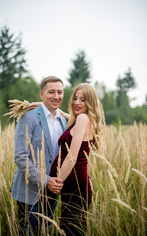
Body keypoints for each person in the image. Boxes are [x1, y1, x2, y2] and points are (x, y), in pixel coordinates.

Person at [30, 83, 102, 235]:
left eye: (83, 99)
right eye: (75, 98)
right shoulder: (84, 119)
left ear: (90, 102)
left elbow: (72, 156)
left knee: (70, 228)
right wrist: (47, 107)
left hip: (72, 182)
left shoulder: (82, 118)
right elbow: (69, 118)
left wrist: (57, 181)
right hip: (73, 182)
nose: (77, 102)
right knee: (72, 227)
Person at [11, 76, 67, 235]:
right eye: (51, 92)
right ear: (41, 94)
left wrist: (53, 182)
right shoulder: (29, 117)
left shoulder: (63, 120)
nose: (56, 96)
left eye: (59, 92)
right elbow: (21, 157)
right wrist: (46, 180)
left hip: (53, 191)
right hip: (29, 192)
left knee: (45, 232)